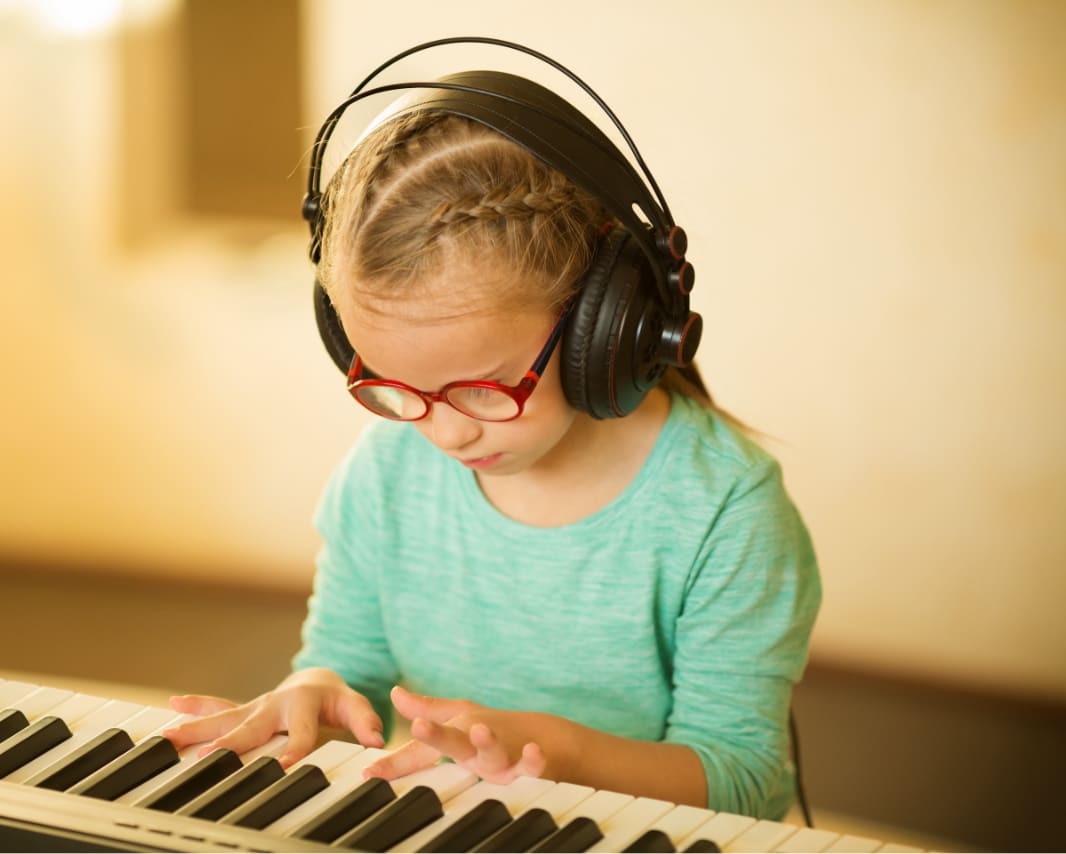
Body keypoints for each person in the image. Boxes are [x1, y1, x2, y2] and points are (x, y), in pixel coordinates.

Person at [163, 56, 821, 821]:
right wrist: (321, 691)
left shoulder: (725, 509)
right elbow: (351, 667)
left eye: (484, 386)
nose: (442, 429)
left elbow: (735, 777)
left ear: (600, 332)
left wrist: (553, 754)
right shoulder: (386, 474)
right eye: (394, 386)